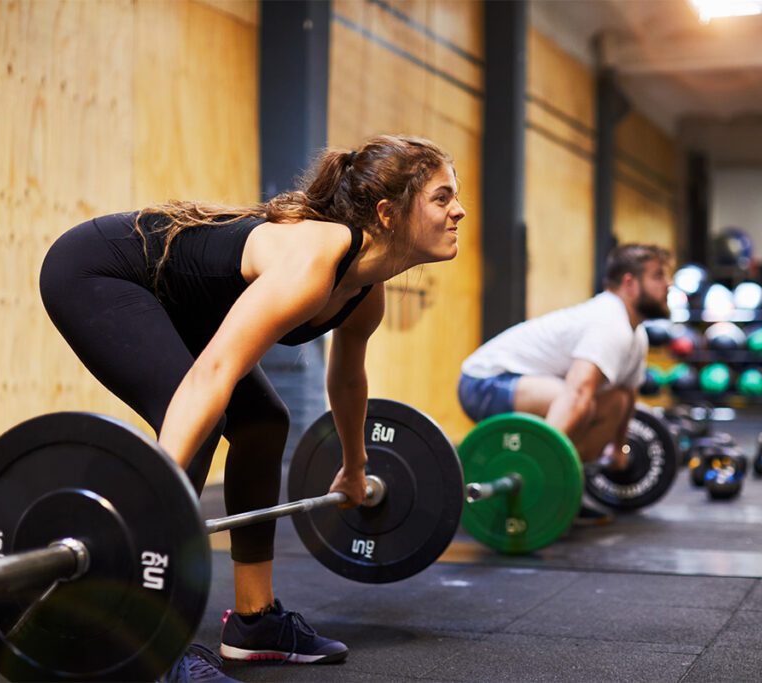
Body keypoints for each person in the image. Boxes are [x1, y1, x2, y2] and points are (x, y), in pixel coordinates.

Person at [39, 135, 465, 681]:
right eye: (441, 196)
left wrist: (356, 465)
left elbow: (348, 375)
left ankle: (254, 621)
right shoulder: (315, 258)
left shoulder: (366, 285)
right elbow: (212, 373)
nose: (459, 210)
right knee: (195, 415)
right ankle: (144, 636)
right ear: (388, 213)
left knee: (264, 422)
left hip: (170, 299)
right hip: (98, 272)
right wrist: (154, 493)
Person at [457, 244, 671, 518]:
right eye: (658, 276)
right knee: (578, 400)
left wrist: (618, 449)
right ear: (629, 283)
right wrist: (533, 467)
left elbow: (628, 396)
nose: (668, 284)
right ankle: (534, 477)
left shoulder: (636, 335)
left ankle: (562, 487)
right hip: (483, 382)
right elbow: (578, 392)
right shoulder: (608, 322)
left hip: (524, 386)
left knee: (615, 401)